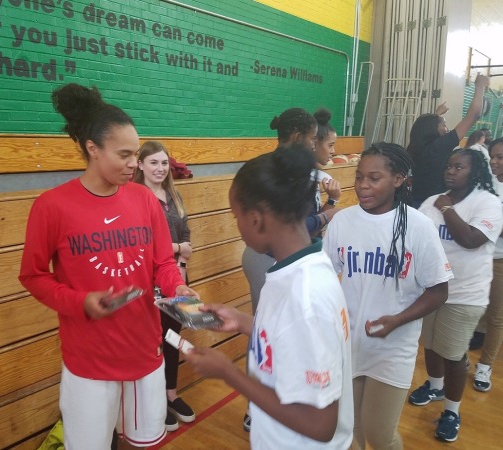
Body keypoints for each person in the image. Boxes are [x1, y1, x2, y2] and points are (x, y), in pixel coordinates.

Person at [18, 83, 198, 449]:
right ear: (92, 149)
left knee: (141, 442)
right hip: (89, 359)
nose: (135, 163)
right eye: (125, 154)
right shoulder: (52, 206)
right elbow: (33, 276)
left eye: (136, 154)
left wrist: (177, 286)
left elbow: (162, 261)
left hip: (145, 351)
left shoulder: (144, 200)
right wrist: (79, 302)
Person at [185, 142, 354, 449]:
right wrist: (242, 322)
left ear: (255, 219)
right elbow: (290, 337)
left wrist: (229, 373)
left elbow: (321, 424)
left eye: (236, 216)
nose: (237, 226)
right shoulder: (294, 268)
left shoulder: (307, 294)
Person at [322, 142, 451, 450]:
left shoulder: (420, 227)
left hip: (393, 348)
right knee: (348, 432)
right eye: (359, 176)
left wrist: (397, 320)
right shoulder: (343, 221)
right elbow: (325, 278)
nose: (363, 185)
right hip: (348, 343)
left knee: (379, 435)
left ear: (398, 179)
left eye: (374, 178)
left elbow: (439, 290)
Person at [240, 107, 340, 431]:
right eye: (314, 140)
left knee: (270, 335)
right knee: (264, 335)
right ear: (297, 138)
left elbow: (322, 425)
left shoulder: (309, 288)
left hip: (283, 262)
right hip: (268, 260)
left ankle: (266, 401)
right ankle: (258, 405)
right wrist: (328, 213)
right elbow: (300, 224)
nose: (316, 146)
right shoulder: (276, 175)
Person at [409, 148, 503, 442]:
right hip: (432, 289)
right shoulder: (431, 201)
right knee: (432, 346)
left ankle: (452, 410)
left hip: (465, 293)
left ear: (474, 172)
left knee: (453, 355)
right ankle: (435, 386)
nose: (450, 171)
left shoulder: (488, 202)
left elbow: (471, 239)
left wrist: (448, 208)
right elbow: (415, 237)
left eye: (458, 167)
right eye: (448, 165)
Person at [133, 140, 195, 431]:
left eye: (164, 163)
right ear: (141, 164)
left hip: (178, 279)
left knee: (173, 337)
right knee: (154, 339)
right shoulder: (136, 197)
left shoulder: (174, 196)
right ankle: (154, 399)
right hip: (151, 283)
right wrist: (177, 247)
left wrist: (181, 251)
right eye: (153, 162)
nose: (159, 168)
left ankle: (171, 393)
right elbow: (146, 245)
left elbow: (187, 236)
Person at [407, 74, 490, 207]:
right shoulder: (439, 147)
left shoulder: (417, 148)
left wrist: (437, 114)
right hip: (434, 206)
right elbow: (474, 115)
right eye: (443, 125)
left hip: (415, 203)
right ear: (434, 129)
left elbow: (426, 125)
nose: (447, 129)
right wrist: (479, 86)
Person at [473, 138, 503, 392]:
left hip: (501, 260)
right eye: (492, 156)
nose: (494, 161)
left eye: (500, 157)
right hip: (479, 255)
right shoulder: (486, 183)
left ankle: (485, 365)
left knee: (497, 316)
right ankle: (475, 338)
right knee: (476, 305)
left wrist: (490, 224)